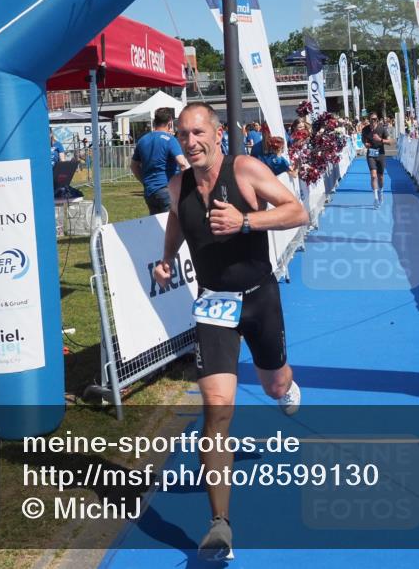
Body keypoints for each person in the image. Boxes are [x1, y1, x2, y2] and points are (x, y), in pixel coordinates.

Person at [153, 102, 308, 560]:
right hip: (213, 304)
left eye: (198, 132)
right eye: (183, 134)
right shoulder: (179, 184)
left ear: (218, 134)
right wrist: (166, 260)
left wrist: (244, 221)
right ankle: (219, 524)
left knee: (273, 382)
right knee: (216, 410)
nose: (190, 141)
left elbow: (295, 210)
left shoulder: (244, 169)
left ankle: (285, 384)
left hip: (260, 297)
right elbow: (177, 226)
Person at [131, 108, 189, 215]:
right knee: (172, 226)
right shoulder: (170, 140)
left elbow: (134, 166)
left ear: (154, 122)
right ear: (169, 123)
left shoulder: (142, 140)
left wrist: (144, 181)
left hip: (149, 191)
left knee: (156, 226)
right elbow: (182, 163)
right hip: (167, 189)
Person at [361, 112, 390, 207]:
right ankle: (376, 198)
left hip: (380, 154)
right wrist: (365, 144)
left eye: (375, 119)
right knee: (373, 176)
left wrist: (380, 140)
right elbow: (363, 141)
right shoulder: (365, 130)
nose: (373, 121)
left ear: (377, 119)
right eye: (372, 119)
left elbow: (390, 142)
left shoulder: (382, 128)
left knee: (380, 177)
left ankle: (381, 191)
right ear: (369, 120)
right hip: (371, 154)